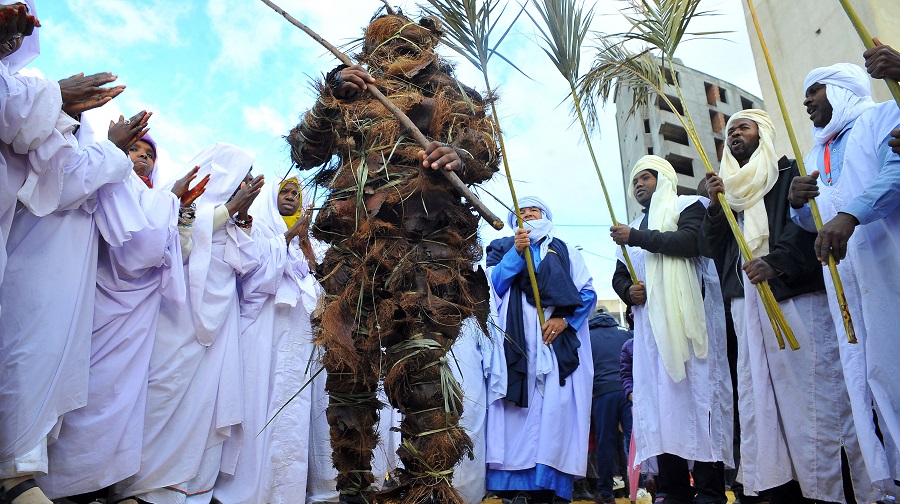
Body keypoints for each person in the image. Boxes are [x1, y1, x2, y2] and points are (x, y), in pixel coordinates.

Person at [287, 10, 498, 503]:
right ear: (368, 49)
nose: (396, 51)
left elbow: (484, 150)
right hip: (354, 250)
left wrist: (460, 157)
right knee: (347, 366)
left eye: (407, 41)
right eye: (385, 43)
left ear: (425, 46)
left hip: (425, 249)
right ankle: (353, 488)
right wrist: (329, 96)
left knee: (420, 365)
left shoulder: (451, 93)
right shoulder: (350, 92)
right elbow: (305, 151)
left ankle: (426, 487)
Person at [699, 109, 875, 503]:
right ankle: (779, 487)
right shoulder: (726, 190)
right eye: (729, 131)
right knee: (759, 397)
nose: (734, 135)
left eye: (742, 127)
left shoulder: (788, 172)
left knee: (814, 393)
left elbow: (803, 226)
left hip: (792, 294)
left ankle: (833, 487)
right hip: (747, 302)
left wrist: (775, 263)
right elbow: (715, 249)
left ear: (762, 131)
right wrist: (714, 208)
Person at [37, 136, 208, 501]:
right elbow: (135, 254)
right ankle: (65, 482)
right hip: (102, 303)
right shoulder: (119, 185)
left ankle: (100, 481)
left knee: (123, 397)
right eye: (136, 151)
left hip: (140, 316)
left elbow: (182, 251)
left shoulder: (158, 199)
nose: (142, 159)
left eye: (149, 155)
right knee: (92, 389)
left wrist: (179, 212)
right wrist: (170, 202)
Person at [110, 144, 264, 504]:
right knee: (163, 389)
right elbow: (174, 242)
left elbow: (249, 265)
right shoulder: (181, 202)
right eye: (241, 177)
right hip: (175, 317)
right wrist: (228, 210)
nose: (245, 185)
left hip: (218, 324)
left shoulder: (236, 219)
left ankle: (182, 490)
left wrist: (240, 218)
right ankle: (136, 484)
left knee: (203, 403)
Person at [789, 63, 900, 498]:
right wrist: (799, 206)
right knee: (870, 378)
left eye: (813, 90)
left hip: (888, 266)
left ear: (840, 89)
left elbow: (895, 174)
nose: (805, 101)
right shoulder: (816, 153)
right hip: (848, 285)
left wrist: (850, 216)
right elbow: (814, 221)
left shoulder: (883, 116)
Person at [611, 155, 733, 504]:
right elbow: (620, 274)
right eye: (635, 180)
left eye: (646, 178)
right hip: (651, 337)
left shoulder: (687, 205)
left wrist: (636, 237)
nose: (639, 185)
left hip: (691, 329)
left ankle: (710, 490)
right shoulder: (631, 227)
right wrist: (626, 291)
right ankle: (674, 488)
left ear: (663, 178)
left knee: (700, 402)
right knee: (663, 408)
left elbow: (689, 242)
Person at [212, 175, 320, 504]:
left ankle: (285, 490)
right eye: (284, 192)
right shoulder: (257, 229)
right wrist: (286, 238)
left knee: (292, 407)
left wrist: (302, 243)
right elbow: (251, 281)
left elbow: (318, 276)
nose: (290, 197)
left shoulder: (311, 238)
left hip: (298, 333)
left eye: (295, 193)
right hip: (264, 329)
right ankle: (245, 489)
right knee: (258, 403)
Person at [484, 197, 596, 504]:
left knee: (553, 413)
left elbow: (586, 292)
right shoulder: (501, 247)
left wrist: (563, 320)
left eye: (534, 210)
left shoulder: (563, 249)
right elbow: (493, 287)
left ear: (545, 215)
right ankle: (513, 489)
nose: (528, 214)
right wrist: (516, 253)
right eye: (521, 211)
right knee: (513, 416)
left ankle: (548, 487)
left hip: (552, 343)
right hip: (514, 345)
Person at [587, 311, 632, 504]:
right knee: (633, 441)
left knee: (605, 443)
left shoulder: (587, 337)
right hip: (628, 393)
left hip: (602, 393)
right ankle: (639, 486)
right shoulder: (625, 334)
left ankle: (606, 493)